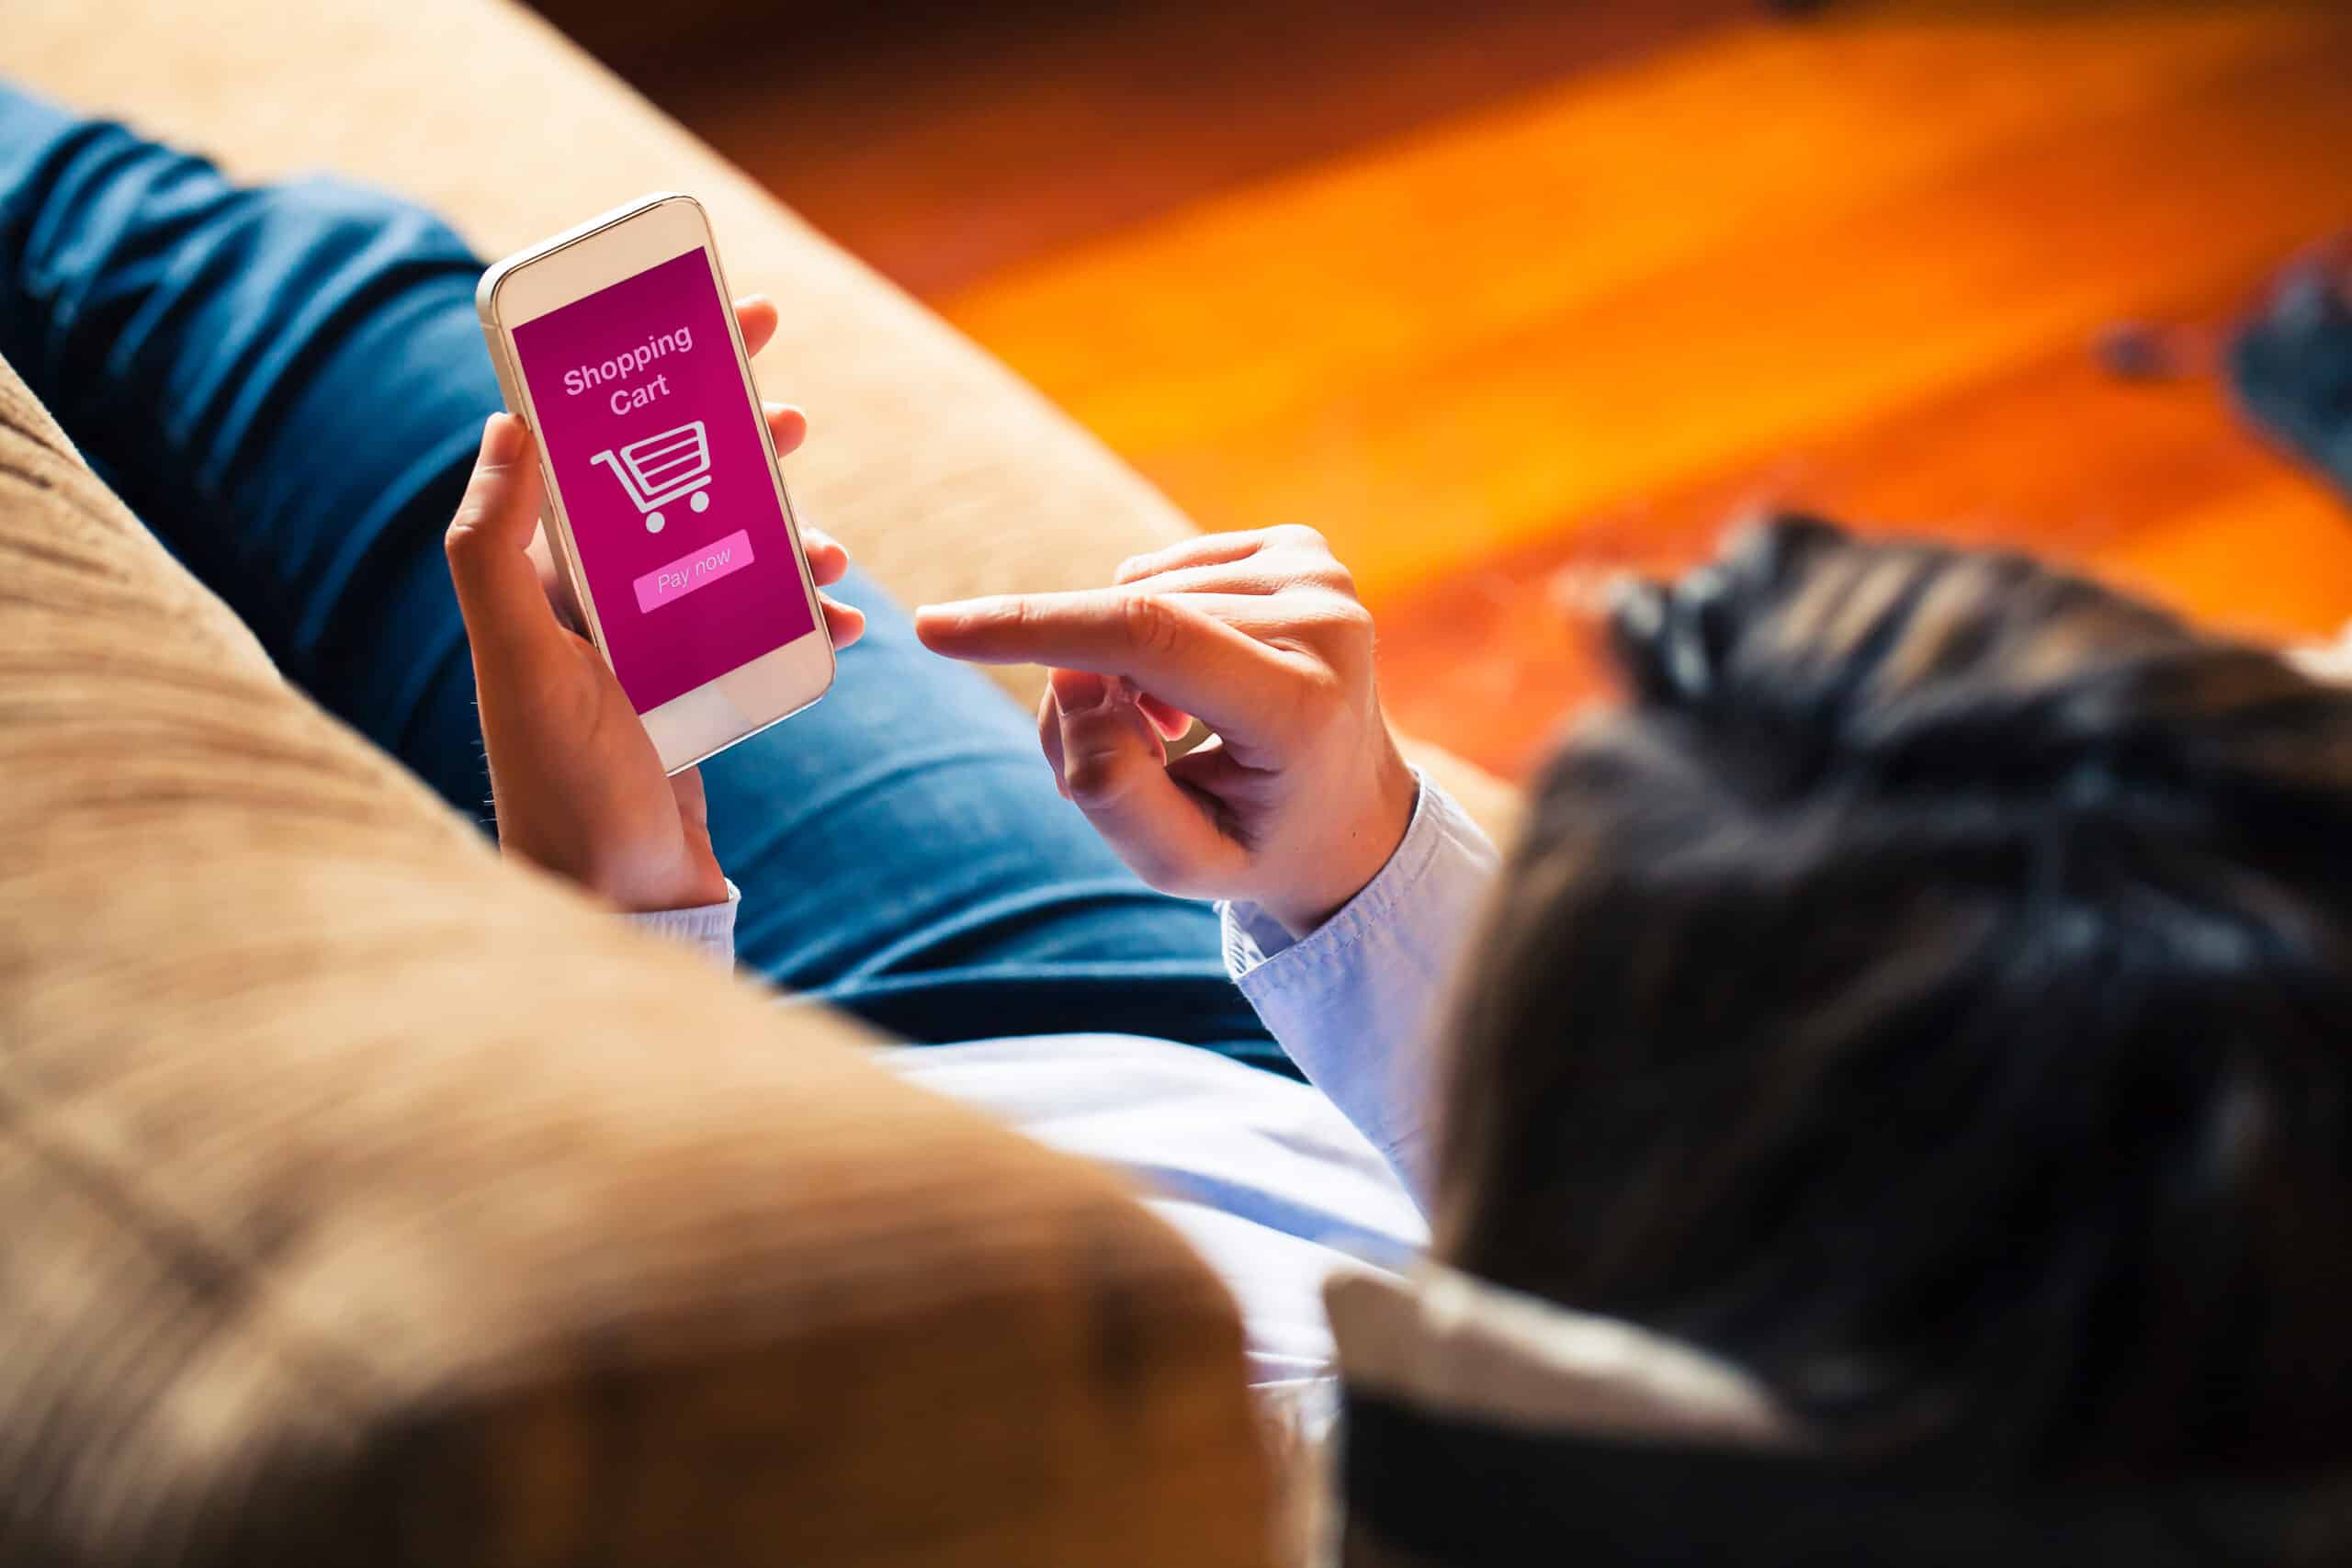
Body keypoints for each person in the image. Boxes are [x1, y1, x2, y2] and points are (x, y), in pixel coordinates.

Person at [12, 85, 2352, 1491]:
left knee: (271, 353)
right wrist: (1353, 871)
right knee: (309, 314)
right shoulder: (2147, 1276)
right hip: (1145, 1031)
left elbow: (736, 1433)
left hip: (811, 1163)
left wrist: (618, 920)